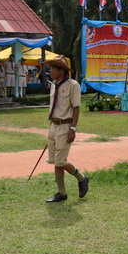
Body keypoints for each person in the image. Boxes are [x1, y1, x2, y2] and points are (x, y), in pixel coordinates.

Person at [44, 55, 89, 202]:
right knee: (55, 161)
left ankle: (82, 178)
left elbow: (76, 108)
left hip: (65, 126)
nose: (50, 70)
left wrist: (73, 129)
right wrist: (51, 128)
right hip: (53, 126)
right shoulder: (53, 85)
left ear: (62, 70)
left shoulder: (73, 85)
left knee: (61, 161)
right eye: (50, 67)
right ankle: (61, 193)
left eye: (53, 68)